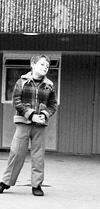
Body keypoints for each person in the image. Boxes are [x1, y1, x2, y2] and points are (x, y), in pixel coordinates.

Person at [0, 54, 58, 196]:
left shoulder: (49, 85)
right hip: (23, 123)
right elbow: (16, 101)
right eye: (42, 64)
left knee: (38, 155)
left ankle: (36, 185)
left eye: (47, 66)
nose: (45, 67)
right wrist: (31, 114)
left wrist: (44, 115)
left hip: (40, 126)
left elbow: (53, 105)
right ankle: (6, 182)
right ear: (33, 64)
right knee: (16, 152)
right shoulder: (22, 82)